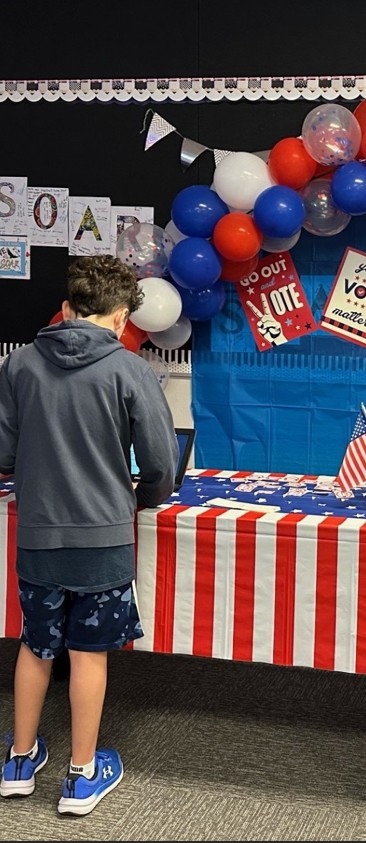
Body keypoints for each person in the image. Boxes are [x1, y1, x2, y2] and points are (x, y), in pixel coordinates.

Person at [0, 254, 178, 816]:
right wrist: (143, 498)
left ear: (68, 306)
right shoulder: (130, 370)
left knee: (35, 645)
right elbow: (160, 463)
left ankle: (19, 760)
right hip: (103, 539)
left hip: (38, 534)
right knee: (88, 653)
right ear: (122, 315)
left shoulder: (19, 363)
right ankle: (80, 775)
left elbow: (3, 452)